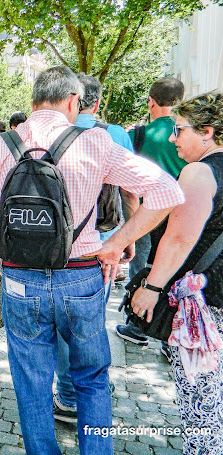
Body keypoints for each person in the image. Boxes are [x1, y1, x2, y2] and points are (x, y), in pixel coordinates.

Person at [0, 65, 184, 454]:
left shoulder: (1, 145)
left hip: (19, 281)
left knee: (32, 383)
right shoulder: (95, 142)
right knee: (91, 378)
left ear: (32, 104)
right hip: (81, 275)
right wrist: (117, 241)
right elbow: (166, 192)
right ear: (73, 102)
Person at [131, 91, 223, 453]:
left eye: (179, 130)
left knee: (201, 404)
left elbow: (180, 237)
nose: (172, 138)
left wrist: (151, 287)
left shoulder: (200, 172)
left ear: (207, 131)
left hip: (207, 306)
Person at [53, 72, 139, 424]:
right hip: (101, 245)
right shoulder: (113, 134)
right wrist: (127, 239)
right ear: (97, 102)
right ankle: (88, 389)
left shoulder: (51, 132)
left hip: (54, 245)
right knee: (89, 321)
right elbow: (131, 191)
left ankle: (68, 393)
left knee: (61, 326)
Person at [116, 77, 187, 347]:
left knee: (143, 268)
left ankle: (140, 327)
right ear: (181, 101)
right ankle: (175, 336)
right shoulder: (186, 133)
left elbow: (127, 184)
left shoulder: (139, 135)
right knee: (178, 269)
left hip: (148, 212)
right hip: (182, 212)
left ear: (151, 101)